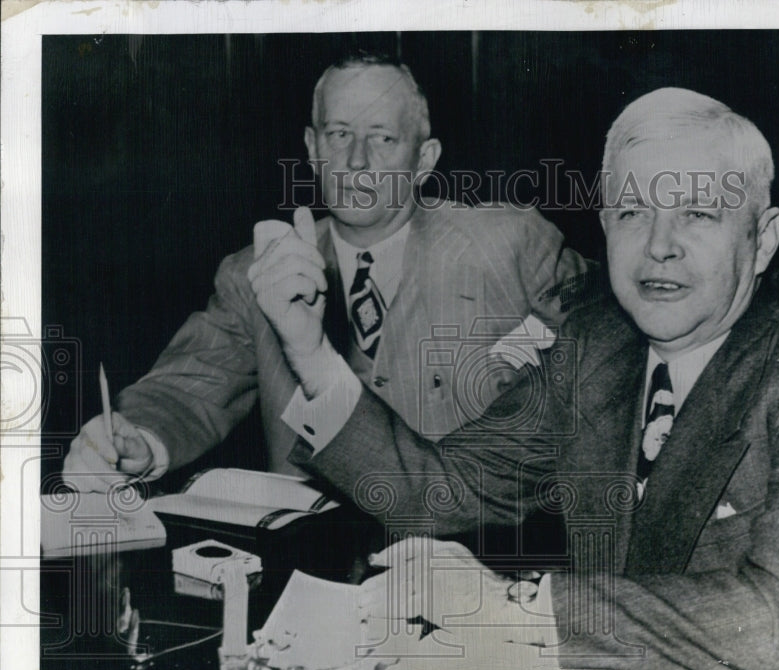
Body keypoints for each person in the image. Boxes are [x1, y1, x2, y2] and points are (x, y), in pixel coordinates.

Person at [289, 87, 779, 670]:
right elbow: (438, 488)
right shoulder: (595, 342)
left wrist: (517, 607)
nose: (659, 244)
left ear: (762, 239)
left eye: (698, 214)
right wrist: (311, 352)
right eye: (631, 213)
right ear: (602, 227)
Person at [62, 52, 593, 491]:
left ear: (425, 158)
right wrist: (135, 437)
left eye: (383, 138)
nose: (357, 160)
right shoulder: (257, 271)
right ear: (313, 149)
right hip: (308, 573)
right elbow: (188, 386)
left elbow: (610, 353)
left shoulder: (510, 242)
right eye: (339, 134)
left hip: (470, 560)